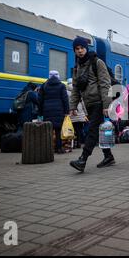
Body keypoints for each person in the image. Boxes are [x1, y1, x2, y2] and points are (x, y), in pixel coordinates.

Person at [69, 36, 115, 172]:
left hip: (99, 102)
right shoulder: (77, 67)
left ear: (86, 48)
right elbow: (76, 89)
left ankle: (83, 159)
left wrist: (107, 105)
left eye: (82, 48)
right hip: (88, 103)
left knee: (92, 131)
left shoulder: (97, 62)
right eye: (77, 49)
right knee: (100, 131)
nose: (80, 51)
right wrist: (72, 106)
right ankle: (109, 156)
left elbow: (105, 84)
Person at [39, 70, 69, 154]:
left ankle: (48, 149)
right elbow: (65, 99)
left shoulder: (44, 86)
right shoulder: (61, 86)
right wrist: (66, 111)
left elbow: (40, 100)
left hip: (47, 111)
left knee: (48, 130)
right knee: (58, 131)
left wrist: (40, 112)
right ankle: (58, 148)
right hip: (59, 111)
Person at [67, 78, 87, 149]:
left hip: (72, 113)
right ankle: (79, 143)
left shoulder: (66, 92)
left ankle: (73, 144)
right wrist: (85, 113)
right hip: (80, 114)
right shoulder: (78, 91)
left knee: (72, 130)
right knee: (80, 130)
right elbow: (83, 103)